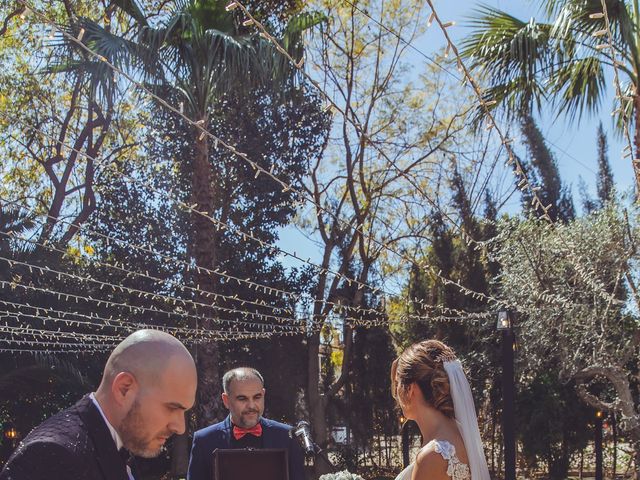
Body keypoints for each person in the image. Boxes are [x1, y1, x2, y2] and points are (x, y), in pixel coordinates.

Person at [0, 329, 198, 480]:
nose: (180, 427)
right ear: (124, 389)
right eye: (172, 408)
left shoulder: (116, 440)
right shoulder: (51, 457)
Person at [392, 340, 490, 480]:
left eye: (397, 384)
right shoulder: (461, 432)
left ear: (411, 389)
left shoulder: (432, 456)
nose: (396, 394)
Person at [187, 367, 305, 480]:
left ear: (263, 395)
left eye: (257, 397)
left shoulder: (287, 436)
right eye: (242, 399)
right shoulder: (204, 441)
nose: (251, 406)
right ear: (226, 400)